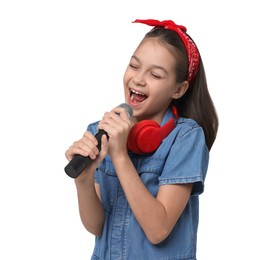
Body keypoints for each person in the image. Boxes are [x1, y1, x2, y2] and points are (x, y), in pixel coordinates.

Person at [65, 19, 218, 260]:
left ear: (178, 90)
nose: (138, 79)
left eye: (155, 74)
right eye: (134, 66)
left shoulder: (186, 138)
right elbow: (97, 227)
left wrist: (120, 156)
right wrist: (83, 181)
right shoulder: (102, 130)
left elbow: (159, 230)